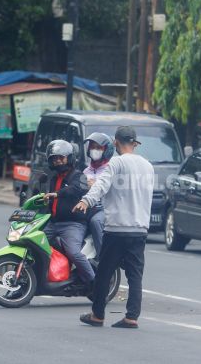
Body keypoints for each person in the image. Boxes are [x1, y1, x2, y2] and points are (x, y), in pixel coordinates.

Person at [74, 126, 154, 329]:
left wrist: (86, 201)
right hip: (139, 229)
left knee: (104, 273)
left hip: (117, 229)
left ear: (116, 142)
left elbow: (100, 185)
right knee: (135, 275)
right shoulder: (148, 166)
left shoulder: (116, 162)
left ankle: (97, 315)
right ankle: (132, 317)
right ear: (135, 144)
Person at [42, 140, 95, 286]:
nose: (58, 161)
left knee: (74, 253)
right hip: (53, 223)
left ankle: (95, 283)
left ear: (70, 158)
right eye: (54, 158)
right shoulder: (54, 179)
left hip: (73, 224)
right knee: (34, 243)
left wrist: (56, 194)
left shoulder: (80, 176)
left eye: (61, 157)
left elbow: (75, 190)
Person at [83, 133, 115, 255]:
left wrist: (96, 186)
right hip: (89, 207)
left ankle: (104, 257)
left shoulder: (111, 169)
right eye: (92, 147)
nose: (94, 150)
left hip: (105, 208)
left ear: (107, 150)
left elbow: (113, 190)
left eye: (98, 148)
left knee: (96, 222)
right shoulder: (86, 171)